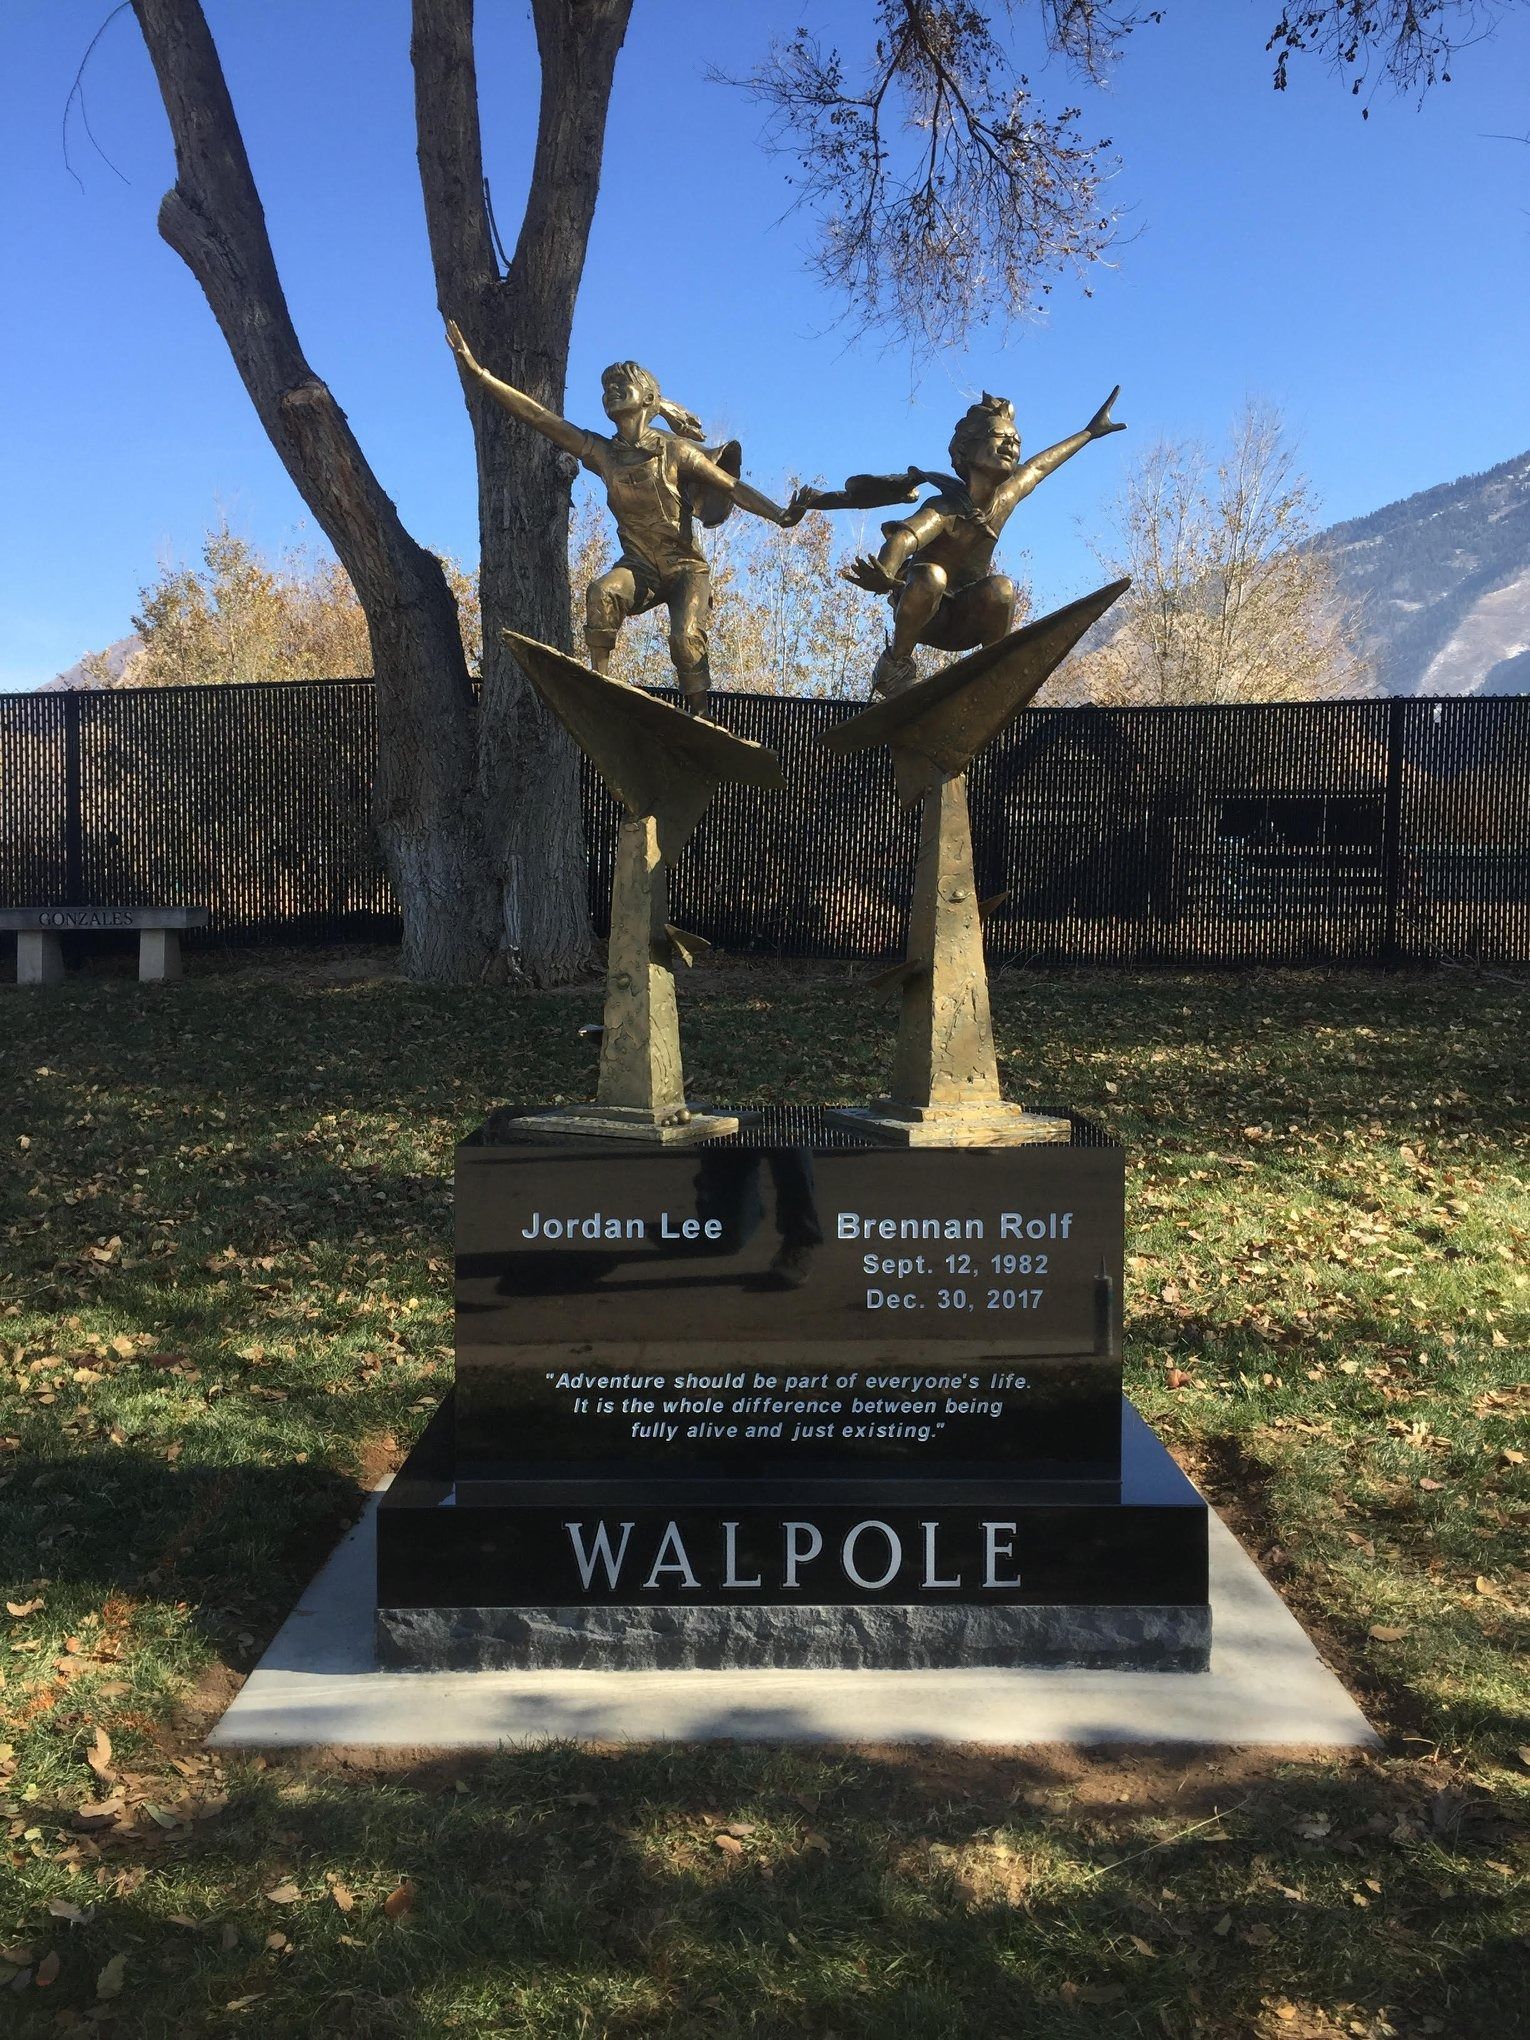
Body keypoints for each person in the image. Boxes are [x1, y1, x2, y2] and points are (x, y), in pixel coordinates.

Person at [446, 322, 792, 711]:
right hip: (640, 567)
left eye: (621, 385)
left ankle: (699, 713)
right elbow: (541, 418)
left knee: (685, 638)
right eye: (606, 387)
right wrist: (481, 376)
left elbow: (732, 487)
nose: (610, 391)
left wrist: (778, 513)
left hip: (684, 570)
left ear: (648, 398)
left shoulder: (675, 452)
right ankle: (602, 687)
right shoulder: (602, 453)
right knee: (602, 592)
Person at [790, 386, 1125, 697]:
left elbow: (1039, 467)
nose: (1011, 446)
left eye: (1016, 441)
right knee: (931, 575)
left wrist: (1088, 433)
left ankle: (990, 677)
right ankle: (894, 665)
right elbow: (904, 538)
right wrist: (887, 571)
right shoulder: (944, 508)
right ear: (968, 449)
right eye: (1000, 438)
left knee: (1002, 588)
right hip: (926, 615)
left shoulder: (1007, 496)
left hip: (966, 620)